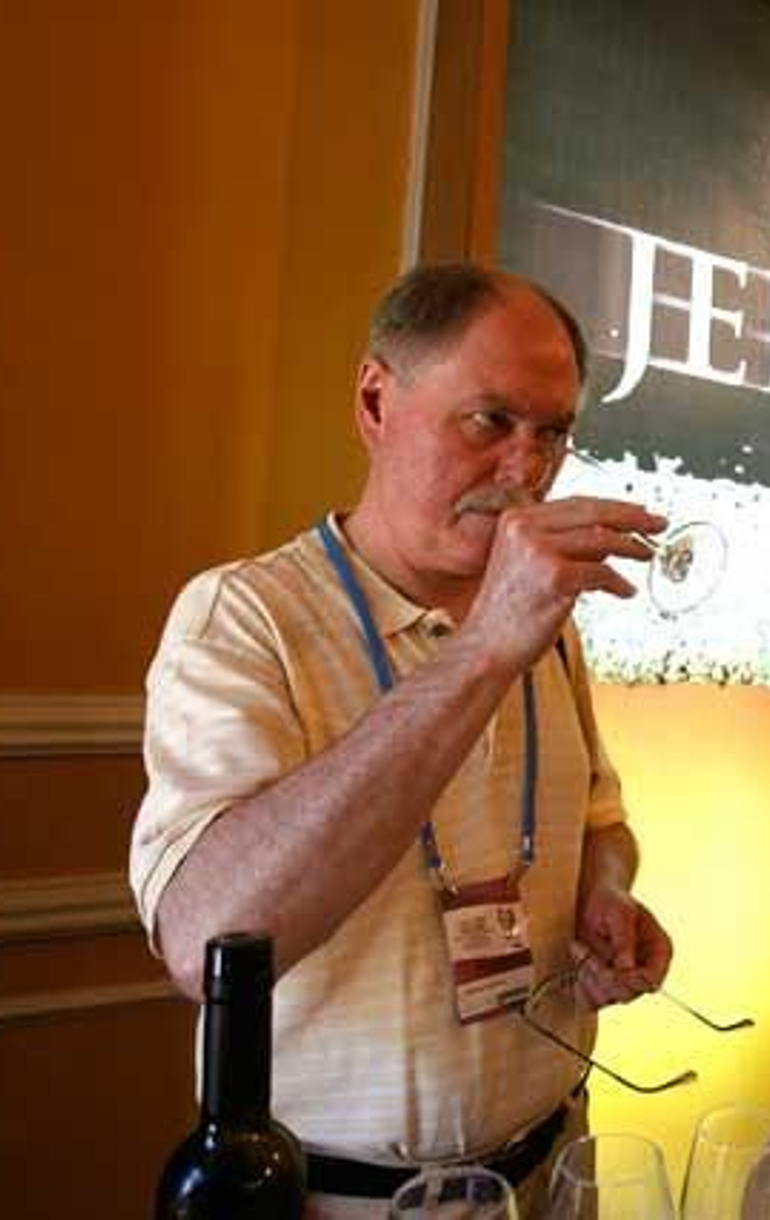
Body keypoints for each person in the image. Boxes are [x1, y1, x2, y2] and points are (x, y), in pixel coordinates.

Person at [130, 262, 675, 1218]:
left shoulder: (550, 626)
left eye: (553, 434)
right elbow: (208, 939)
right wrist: (481, 654)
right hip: (337, 1199)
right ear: (376, 400)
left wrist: (606, 887)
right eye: (489, 421)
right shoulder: (244, 617)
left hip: (551, 1171)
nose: (526, 470)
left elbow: (603, 818)